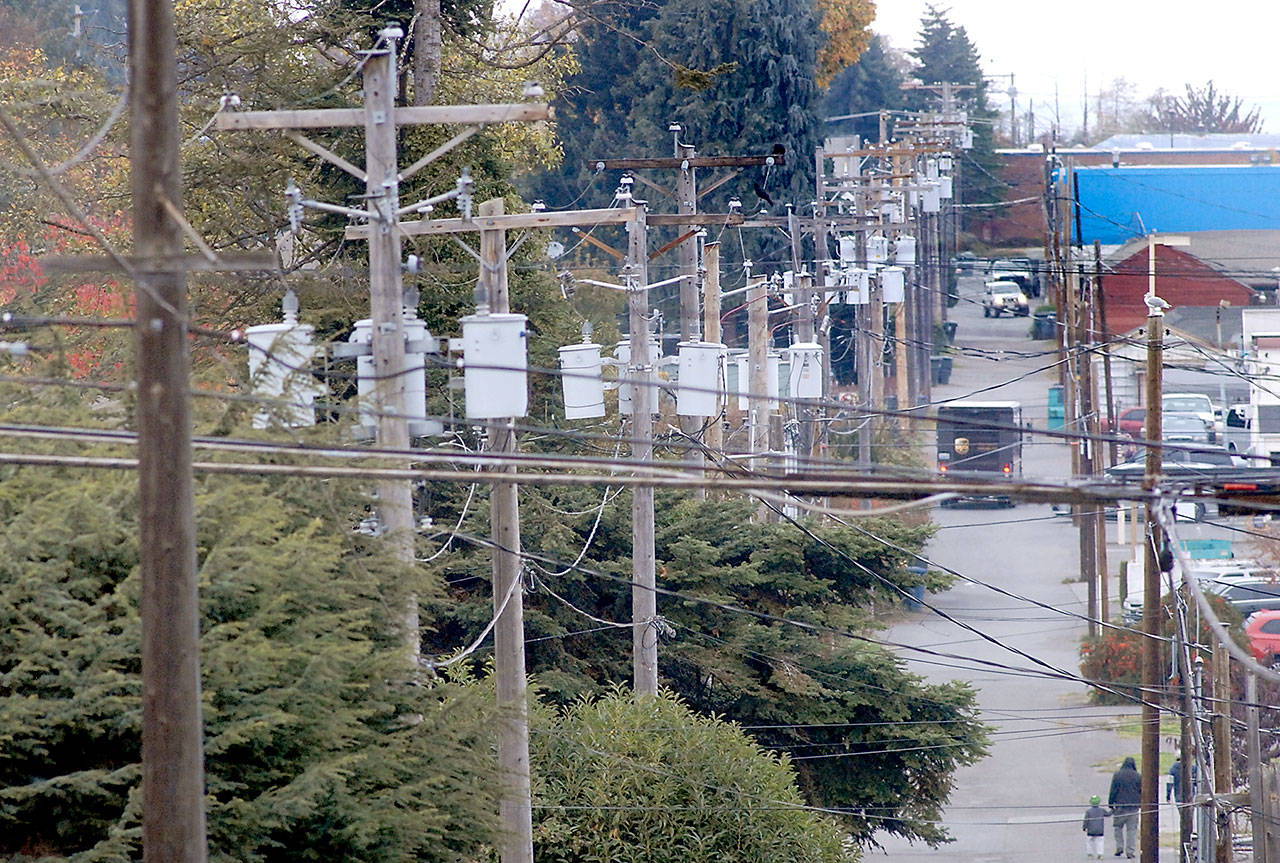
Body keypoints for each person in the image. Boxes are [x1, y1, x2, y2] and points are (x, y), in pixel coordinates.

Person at [1108, 756, 1141, 858]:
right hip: (1133, 807)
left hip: (1120, 807)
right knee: (1132, 830)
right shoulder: (1138, 776)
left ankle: (1119, 846)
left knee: (1118, 827)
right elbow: (1141, 791)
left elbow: (1113, 790)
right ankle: (1130, 851)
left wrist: (1111, 803)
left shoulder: (1117, 775)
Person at [1083, 794, 1109, 859]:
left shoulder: (1088, 811)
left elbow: (1086, 820)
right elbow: (1108, 814)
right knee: (1100, 842)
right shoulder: (1102, 810)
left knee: (1089, 842)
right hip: (1100, 830)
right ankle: (1100, 854)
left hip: (1091, 830)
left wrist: (1084, 827)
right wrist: (1114, 810)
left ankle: (1090, 854)